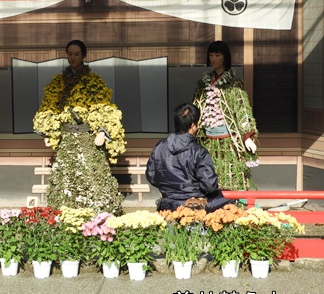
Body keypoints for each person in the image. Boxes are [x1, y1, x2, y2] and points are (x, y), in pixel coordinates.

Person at [33, 40, 126, 215]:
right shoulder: (58, 82)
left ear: (84, 56)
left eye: (77, 54)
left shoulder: (94, 81)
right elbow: (49, 106)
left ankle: (98, 213)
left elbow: (104, 107)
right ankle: (64, 212)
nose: (73, 58)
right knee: (66, 176)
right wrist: (49, 131)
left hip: (88, 138)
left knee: (92, 174)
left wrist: (101, 131)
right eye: (70, 54)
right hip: (66, 138)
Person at [192, 41, 259, 191]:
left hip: (229, 140)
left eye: (217, 55)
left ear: (225, 57)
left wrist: (247, 136)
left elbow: (242, 109)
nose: (213, 59)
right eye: (210, 55)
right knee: (208, 174)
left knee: (231, 174)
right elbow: (196, 108)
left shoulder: (234, 84)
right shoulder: (203, 85)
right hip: (206, 140)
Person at [145, 103, 235, 212]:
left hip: (168, 202)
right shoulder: (199, 152)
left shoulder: (159, 147)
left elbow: (151, 177)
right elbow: (209, 186)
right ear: (193, 126)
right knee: (232, 196)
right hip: (195, 204)